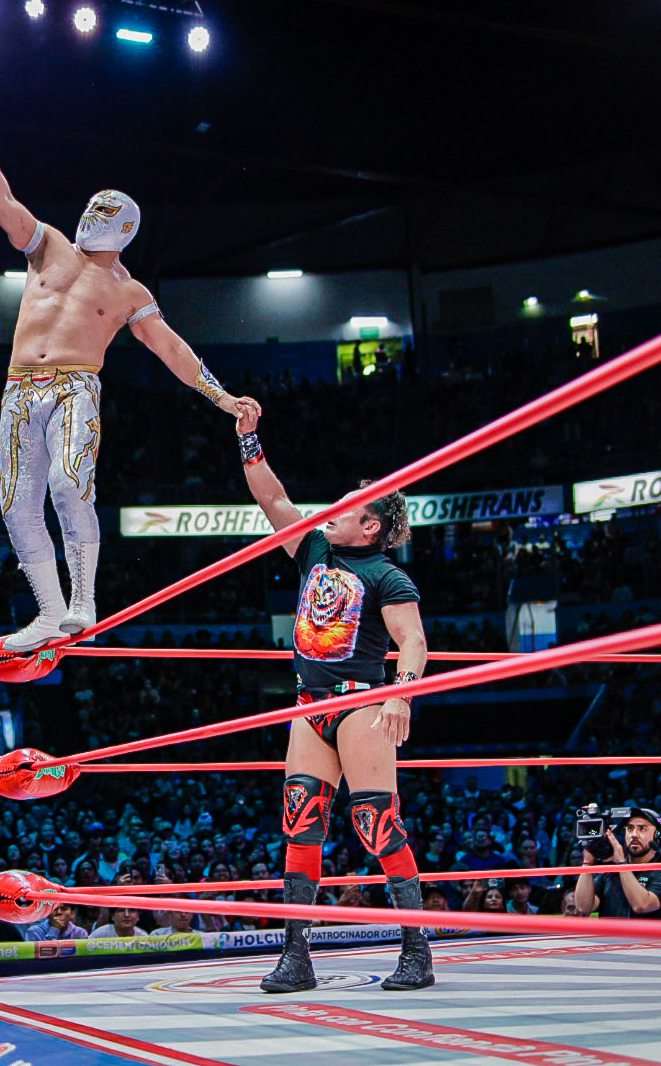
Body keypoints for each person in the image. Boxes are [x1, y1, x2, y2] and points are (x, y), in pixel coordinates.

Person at [0, 86, 261, 651]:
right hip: (19, 389)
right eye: (94, 208)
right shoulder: (47, 245)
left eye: (106, 213)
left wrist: (222, 397)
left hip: (74, 387)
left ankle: (84, 601)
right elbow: (1, 203)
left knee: (69, 486)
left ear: (124, 228)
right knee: (15, 506)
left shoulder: (129, 291)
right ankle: (49, 612)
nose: (94, 216)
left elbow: (169, 347)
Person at [231, 409, 431, 993]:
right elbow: (272, 498)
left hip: (363, 704)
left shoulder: (388, 576)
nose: (331, 511)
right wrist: (248, 438)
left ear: (370, 526)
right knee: (300, 823)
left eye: (346, 508)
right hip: (309, 705)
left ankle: (417, 951)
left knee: (376, 823)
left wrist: (402, 695)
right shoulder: (314, 549)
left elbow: (413, 641)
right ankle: (297, 957)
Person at [570, 808, 661, 919]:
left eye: (642, 829)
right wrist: (587, 863)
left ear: (657, 835)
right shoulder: (609, 873)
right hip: (610, 931)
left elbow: (641, 905)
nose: (634, 835)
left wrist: (621, 863)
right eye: (630, 829)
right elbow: (583, 907)